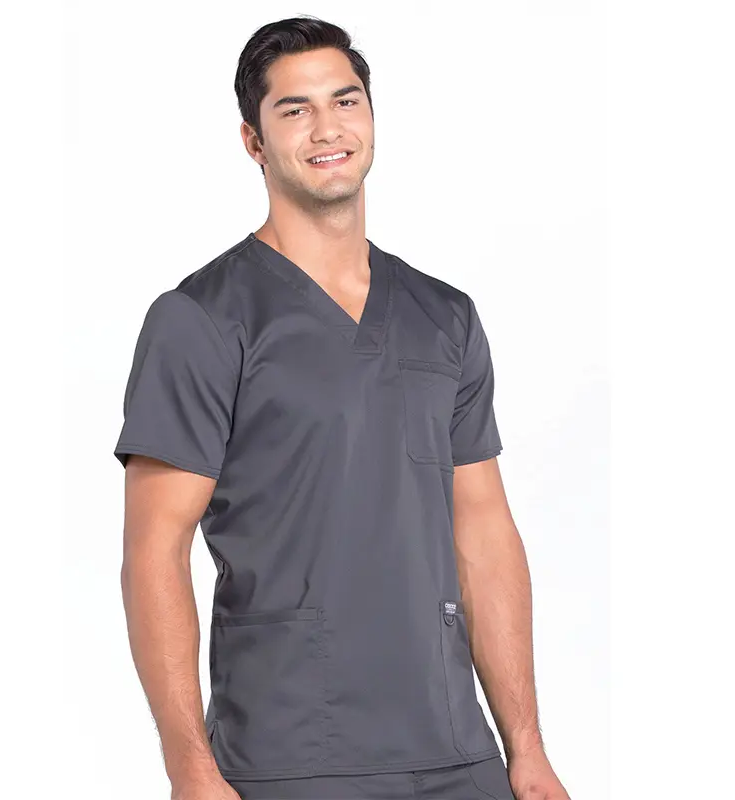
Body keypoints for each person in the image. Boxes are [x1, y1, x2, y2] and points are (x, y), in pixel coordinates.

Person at [114, 15, 570, 800]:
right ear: (254, 142)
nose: (328, 128)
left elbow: (485, 532)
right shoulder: (202, 320)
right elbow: (155, 550)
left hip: (455, 752)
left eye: (345, 101)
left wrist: (525, 750)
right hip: (292, 752)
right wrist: (189, 767)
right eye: (295, 110)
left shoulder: (443, 316)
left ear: (371, 117)